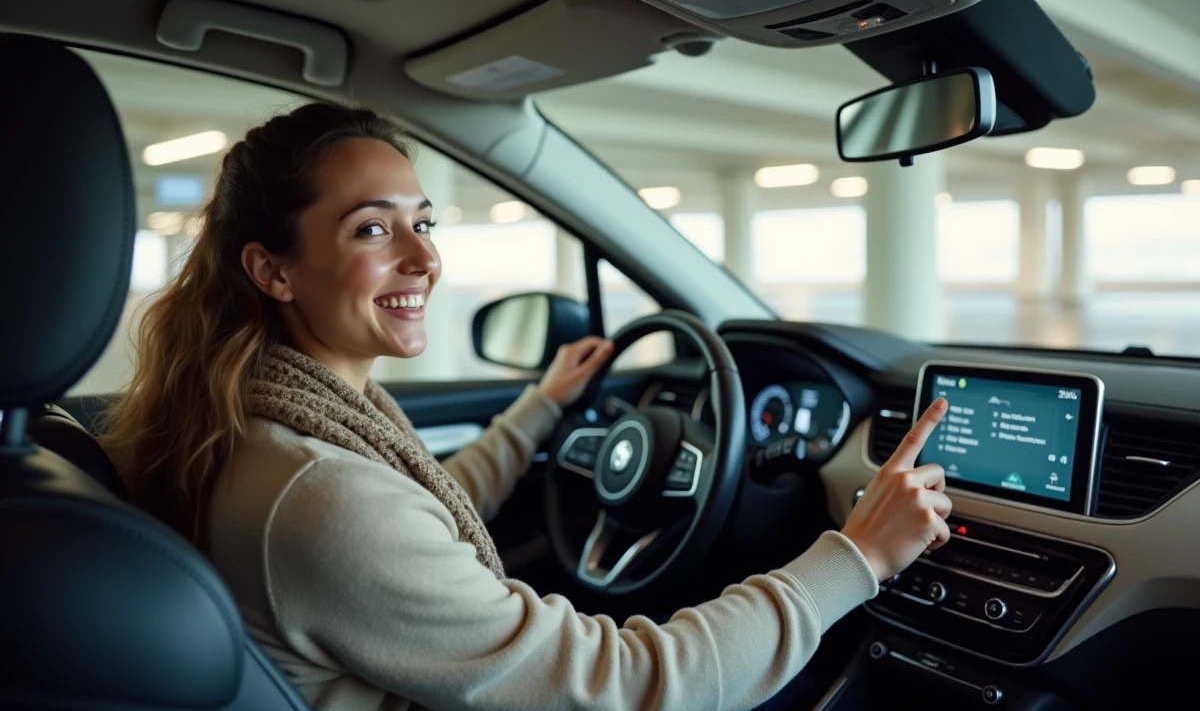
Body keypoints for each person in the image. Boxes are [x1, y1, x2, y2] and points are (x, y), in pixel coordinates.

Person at [103, 102, 952, 711]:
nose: (424, 260)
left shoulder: (265, 420)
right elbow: (632, 683)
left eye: (424, 223)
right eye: (372, 229)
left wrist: (539, 409)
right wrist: (858, 556)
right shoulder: (318, 493)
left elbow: (417, 514)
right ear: (273, 270)